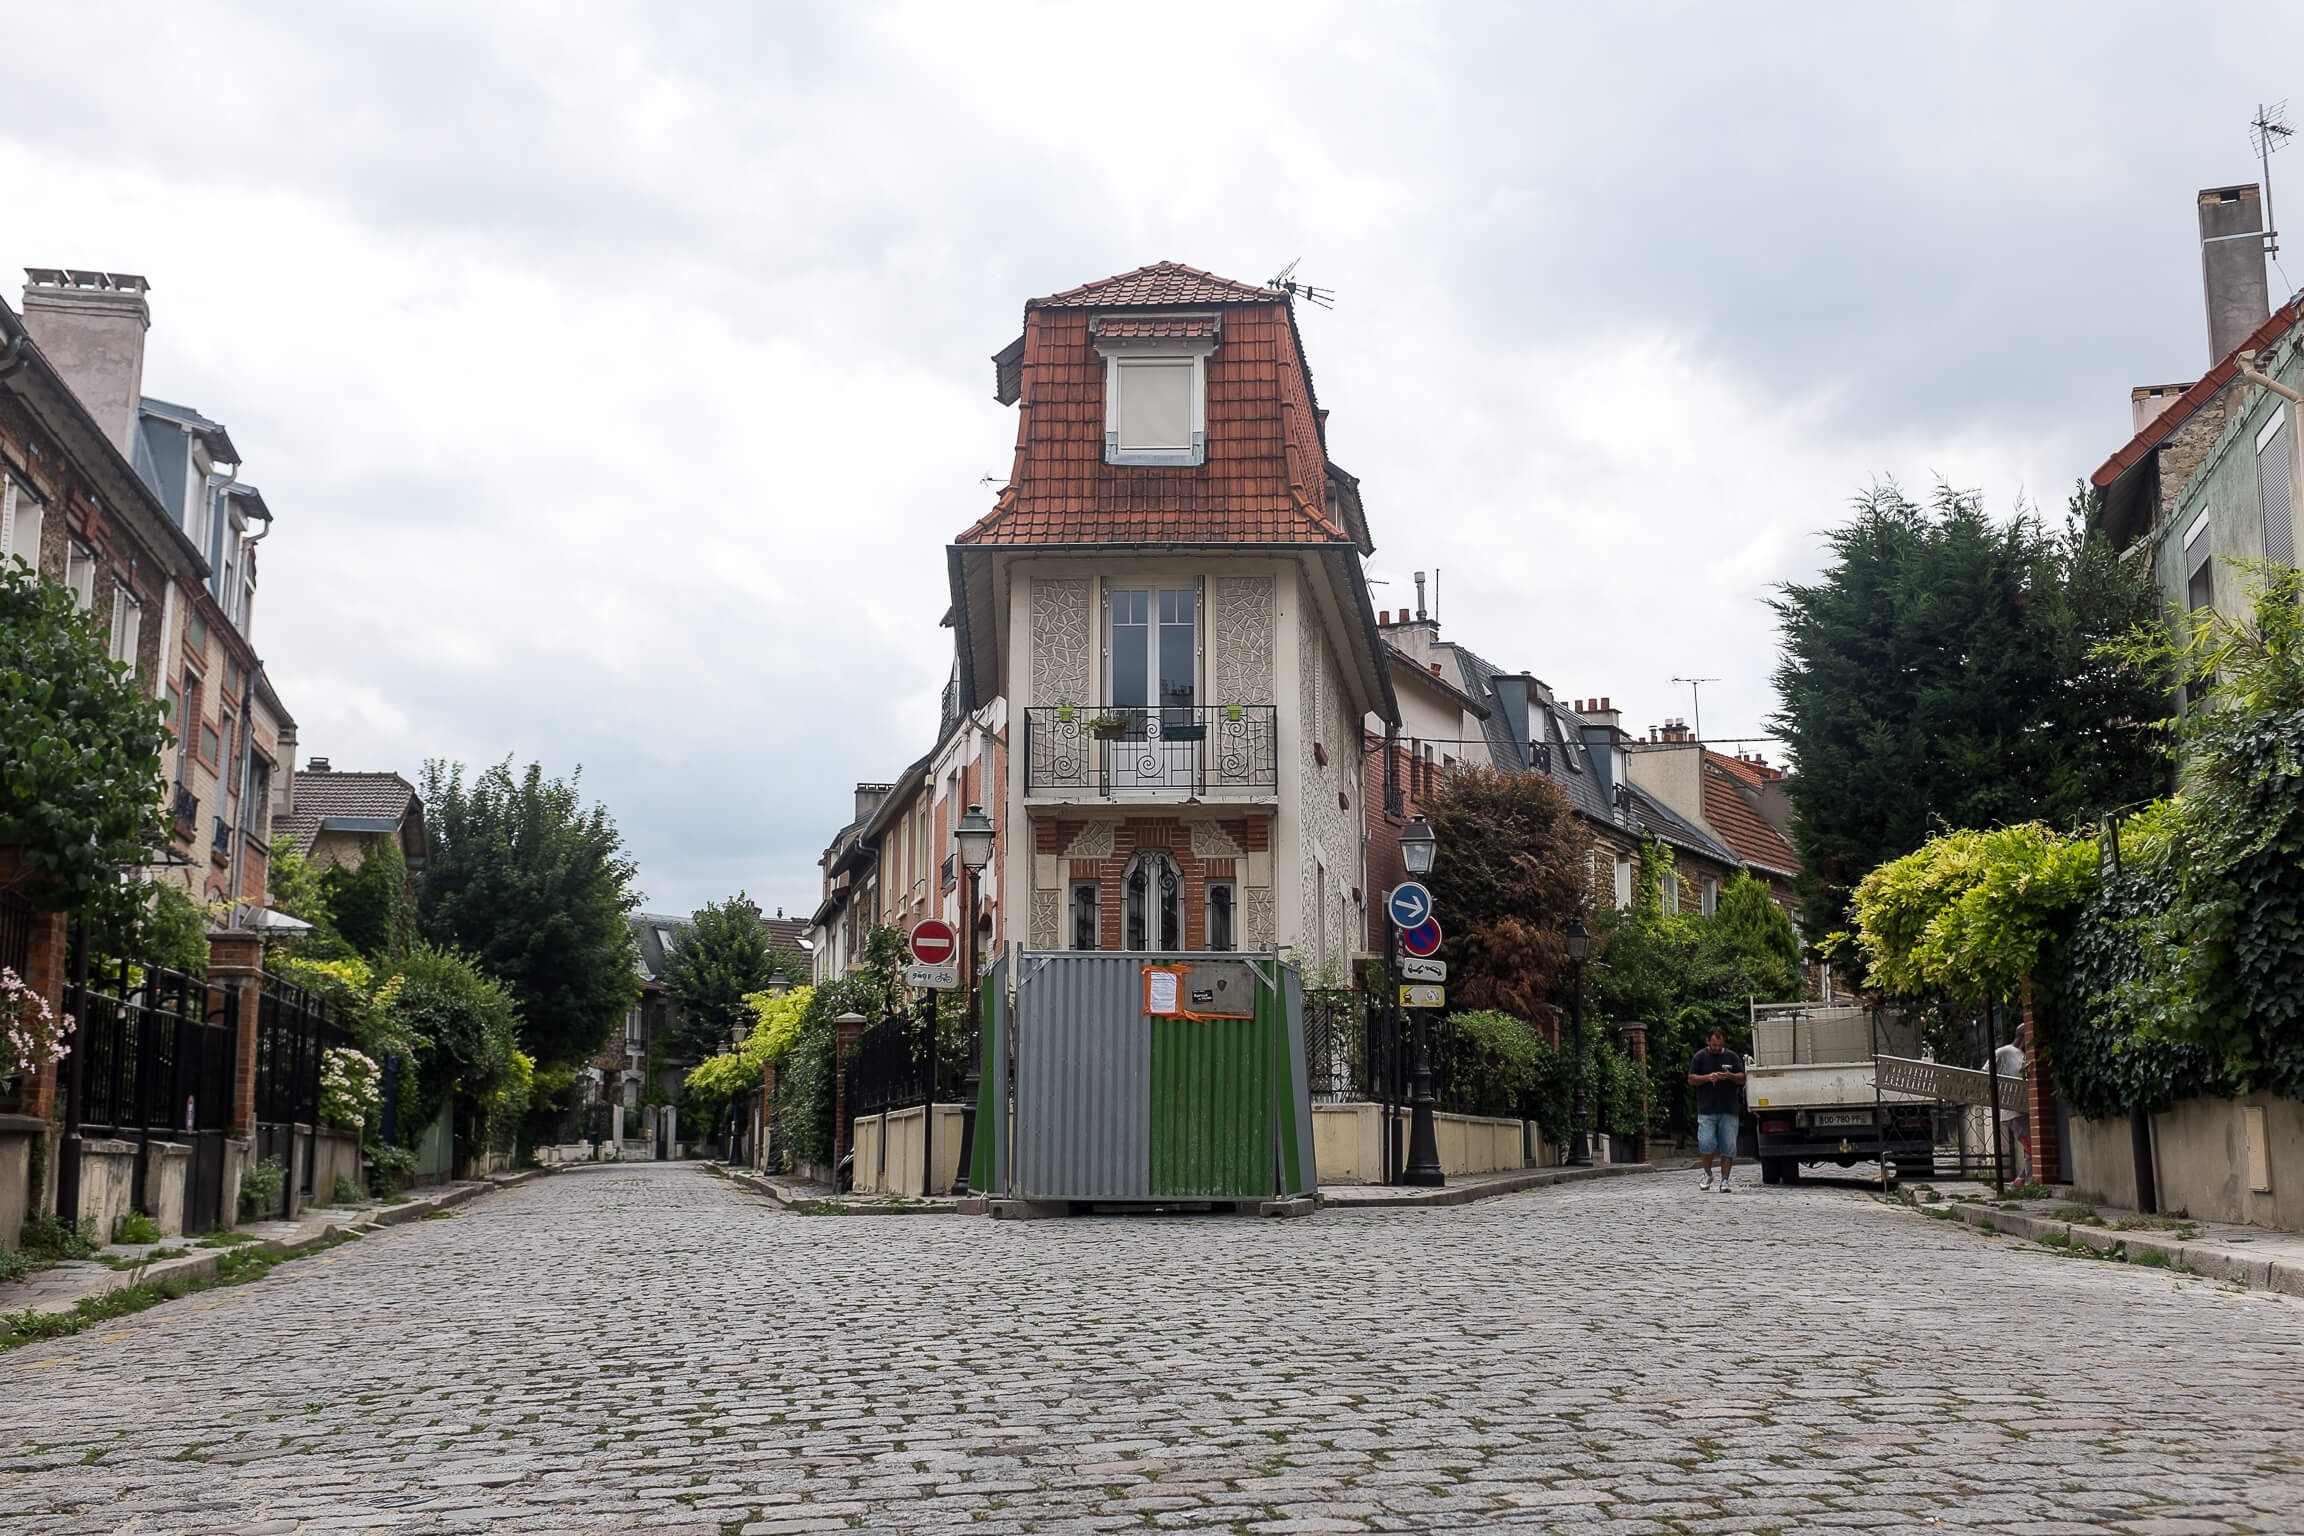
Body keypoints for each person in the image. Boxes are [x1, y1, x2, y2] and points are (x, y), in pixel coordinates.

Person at [1689, 1027, 1746, 1192]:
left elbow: (1742, 1078)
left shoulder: (1731, 1056)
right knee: (1706, 1143)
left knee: (1728, 1145)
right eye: (1713, 1045)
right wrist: (1707, 1077)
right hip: (1707, 1109)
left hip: (1729, 1109)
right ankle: (1707, 1173)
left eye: (1719, 1045)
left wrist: (1730, 1076)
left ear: (1723, 1043)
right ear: (1708, 1042)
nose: (1716, 1048)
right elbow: (1691, 1079)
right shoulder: (1700, 1057)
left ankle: (1725, 1180)